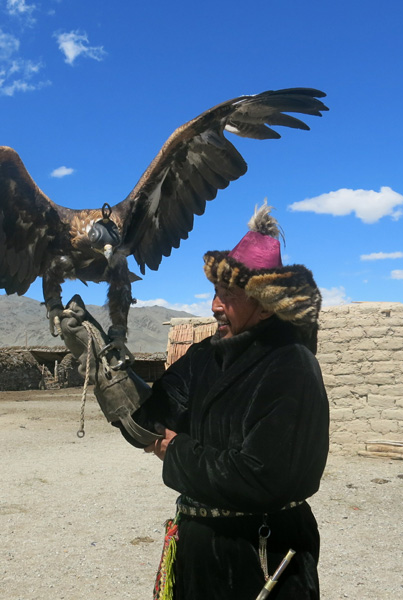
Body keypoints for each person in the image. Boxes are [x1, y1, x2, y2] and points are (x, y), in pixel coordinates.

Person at [60, 202, 329, 600]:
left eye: (228, 295)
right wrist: (103, 363)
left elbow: (264, 478)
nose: (215, 306)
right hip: (197, 554)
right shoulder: (204, 357)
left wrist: (176, 450)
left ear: (263, 305)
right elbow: (147, 421)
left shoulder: (292, 367)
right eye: (216, 292)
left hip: (263, 557)